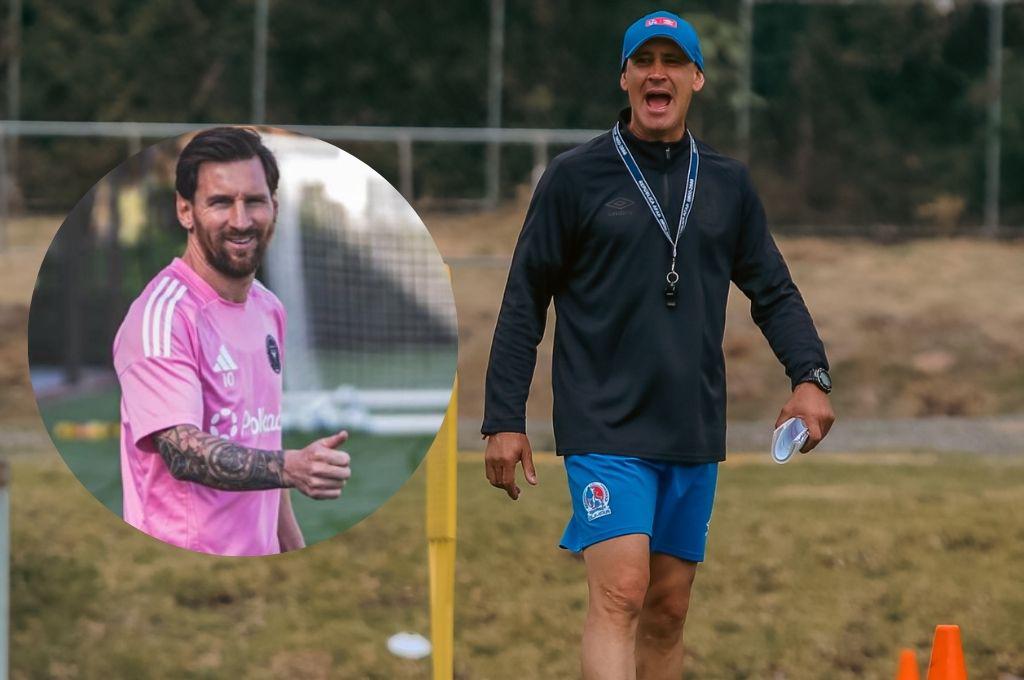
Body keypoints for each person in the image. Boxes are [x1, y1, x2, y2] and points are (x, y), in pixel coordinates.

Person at [482, 10, 835, 679]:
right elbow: (524, 297)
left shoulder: (728, 184)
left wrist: (810, 375)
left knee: (669, 607)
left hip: (690, 422)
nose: (657, 73)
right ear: (625, 78)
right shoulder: (575, 178)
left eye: (673, 61)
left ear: (696, 79)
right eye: (644, 61)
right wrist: (504, 417)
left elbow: (774, 290)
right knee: (620, 592)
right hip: (602, 422)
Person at [113, 127, 352, 556]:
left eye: (254, 201)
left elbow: (265, 440)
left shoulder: (268, 308)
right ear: (185, 211)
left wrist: (290, 545)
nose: (241, 221)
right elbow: (182, 451)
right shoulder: (162, 316)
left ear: (273, 208)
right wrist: (291, 467)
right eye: (221, 202)